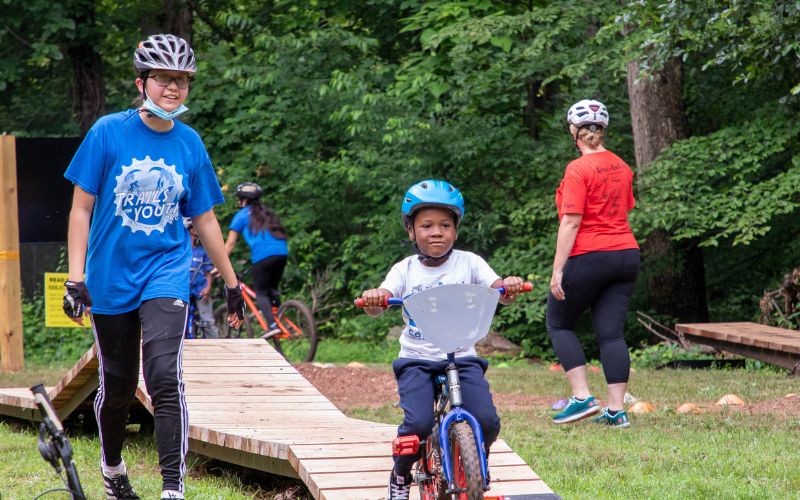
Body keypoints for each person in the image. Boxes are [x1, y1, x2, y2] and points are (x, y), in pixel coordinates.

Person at [61, 34, 245, 500]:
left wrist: (231, 282)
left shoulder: (189, 144)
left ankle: (171, 490)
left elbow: (203, 217)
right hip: (109, 276)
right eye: (164, 78)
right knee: (118, 386)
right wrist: (75, 278)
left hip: (166, 270)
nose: (173, 88)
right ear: (142, 82)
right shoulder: (108, 132)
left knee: (164, 374)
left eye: (181, 80)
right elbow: (81, 209)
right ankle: (112, 468)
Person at [358, 179, 525, 500]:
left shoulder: (470, 262)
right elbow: (379, 306)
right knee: (418, 424)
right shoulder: (404, 270)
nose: (437, 232)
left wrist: (509, 286)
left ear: (456, 230)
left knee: (488, 421)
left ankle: (477, 459)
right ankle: (401, 475)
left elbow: (498, 291)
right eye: (427, 225)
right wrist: (376, 298)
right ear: (411, 231)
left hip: (461, 356)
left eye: (445, 225)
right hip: (417, 360)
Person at [547, 99, 640, 428]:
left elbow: (571, 222)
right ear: (603, 130)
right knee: (611, 334)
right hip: (627, 254)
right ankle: (616, 410)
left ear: (574, 131)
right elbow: (623, 210)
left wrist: (558, 269)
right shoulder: (622, 166)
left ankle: (583, 397)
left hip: (590, 253)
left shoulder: (578, 169)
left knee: (559, 324)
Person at [225, 182, 288, 338]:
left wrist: (217, 265)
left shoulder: (241, 215)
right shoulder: (267, 213)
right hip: (282, 252)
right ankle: (283, 322)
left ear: (243, 200)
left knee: (260, 292)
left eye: (239, 199)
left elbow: (230, 244)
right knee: (272, 290)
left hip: (263, 256)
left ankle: (272, 326)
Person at [185, 217, 220, 339]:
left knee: (207, 321)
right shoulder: (181, 250)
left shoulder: (202, 251)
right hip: (184, 290)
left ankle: (214, 347)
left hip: (200, 288)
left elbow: (207, 272)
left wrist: (208, 287)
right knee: (179, 322)